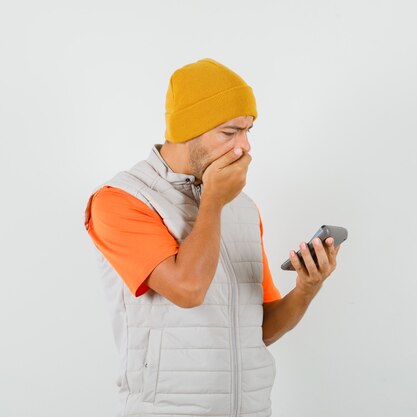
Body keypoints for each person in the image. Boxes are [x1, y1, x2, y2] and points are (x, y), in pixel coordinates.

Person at [83, 58, 341, 417]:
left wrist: (306, 288)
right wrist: (214, 202)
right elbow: (187, 290)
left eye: (249, 131)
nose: (245, 147)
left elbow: (261, 329)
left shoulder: (242, 208)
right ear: (188, 130)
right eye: (229, 132)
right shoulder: (120, 200)